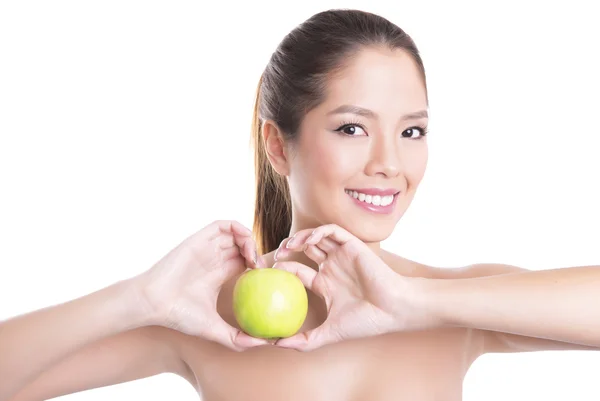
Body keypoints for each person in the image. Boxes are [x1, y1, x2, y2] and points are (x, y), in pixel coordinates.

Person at [1, 8, 599, 401]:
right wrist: (138, 299)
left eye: (412, 131)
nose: (390, 162)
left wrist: (417, 301)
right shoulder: (208, 316)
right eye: (352, 128)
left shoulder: (453, 304)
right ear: (276, 145)